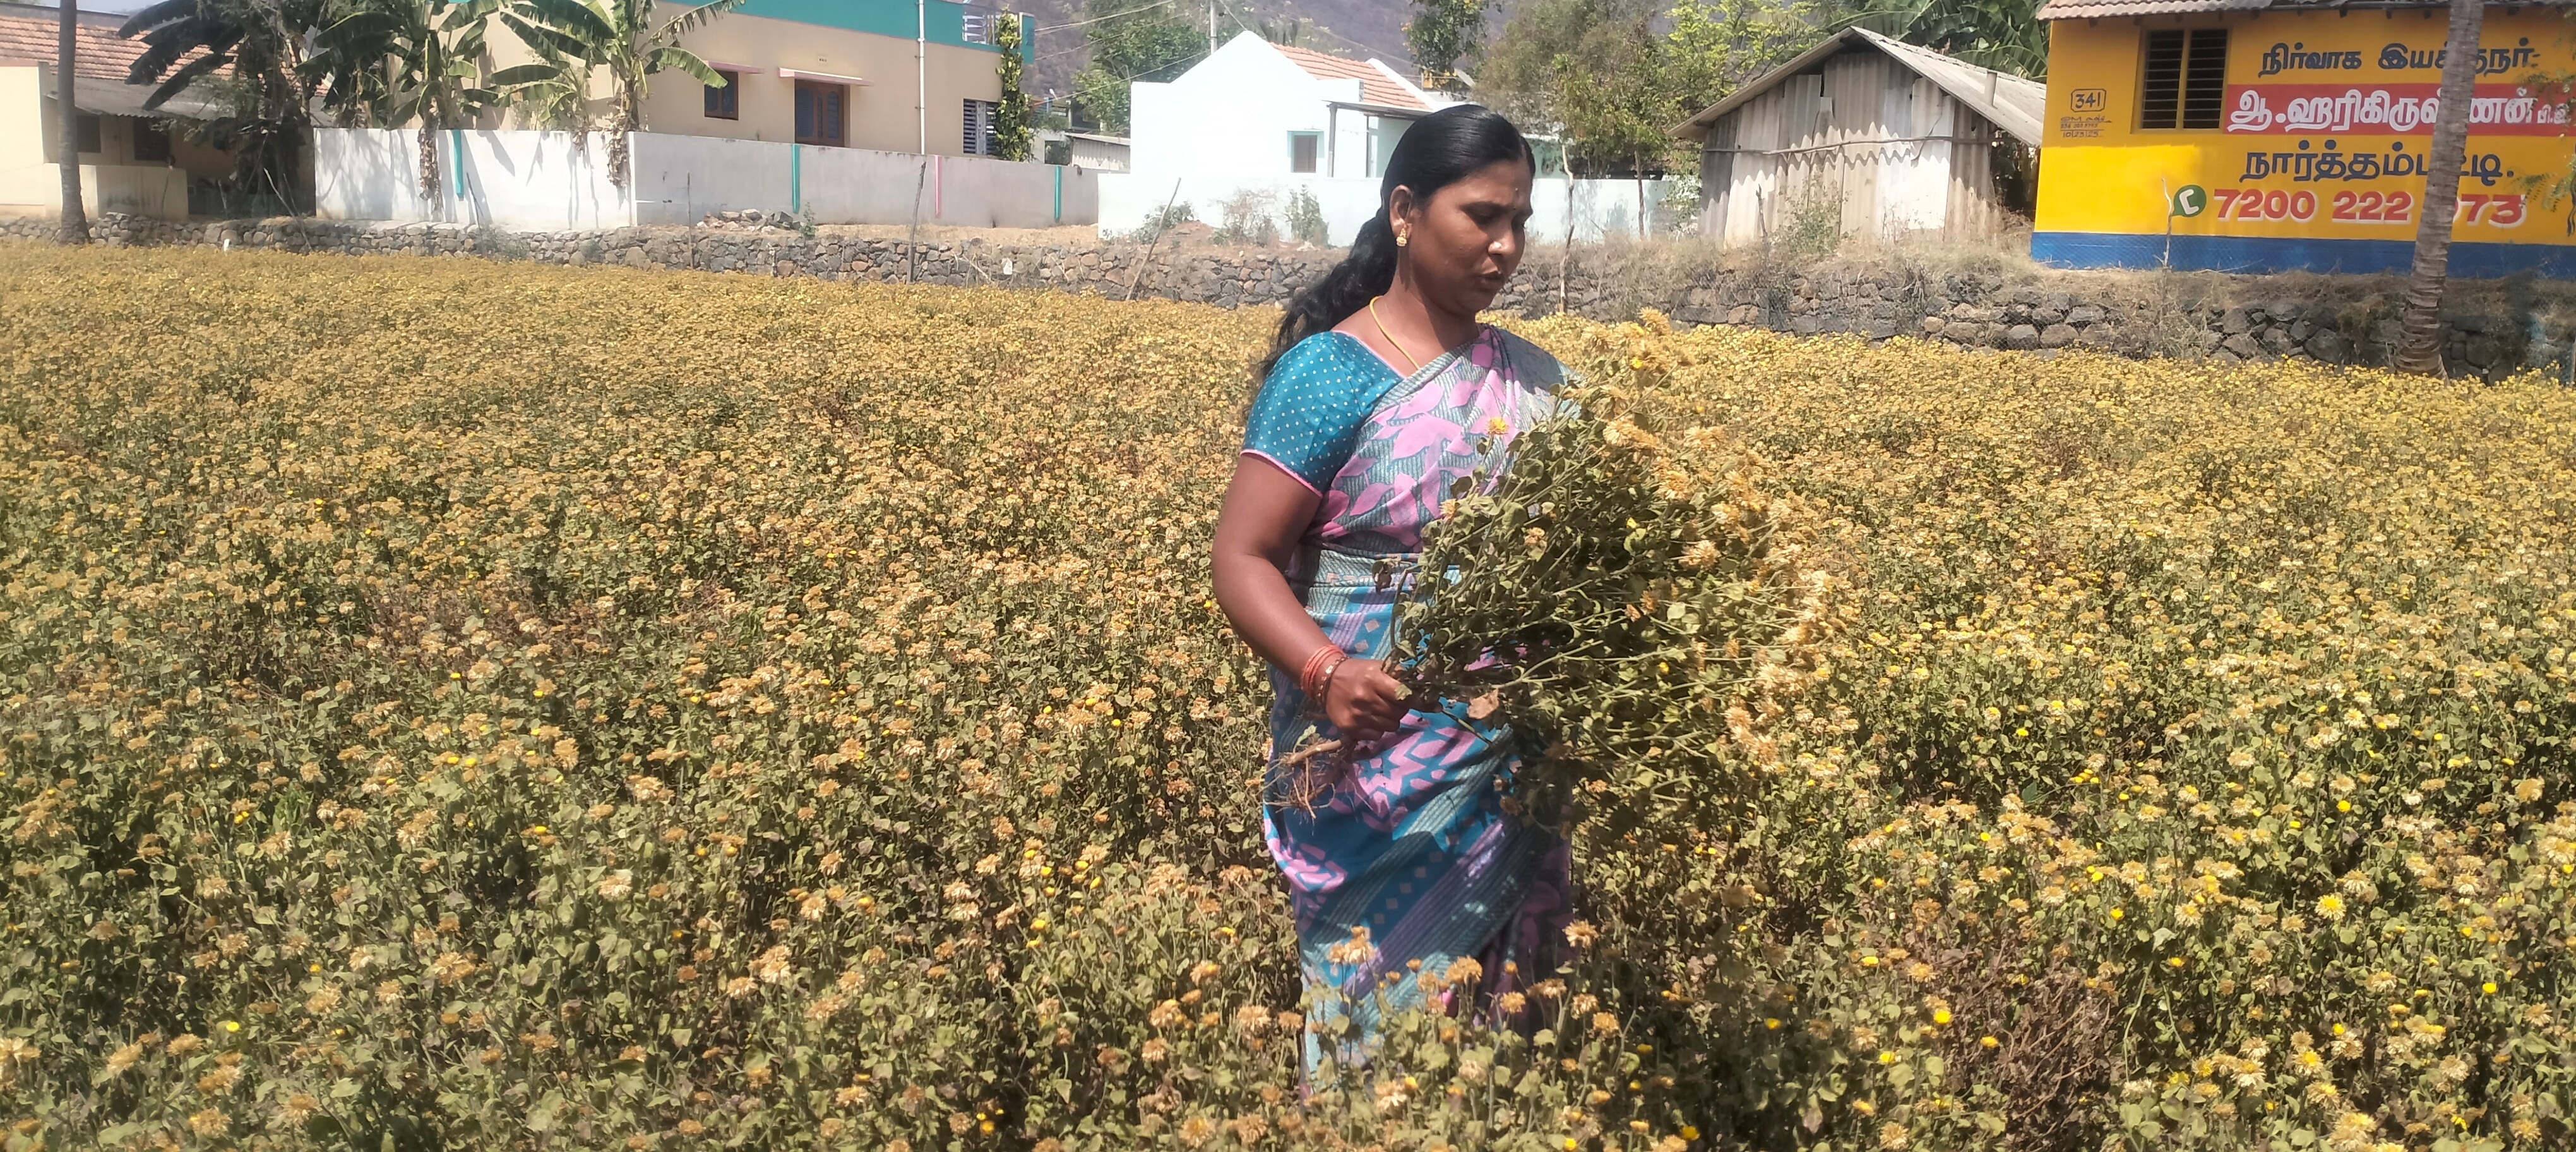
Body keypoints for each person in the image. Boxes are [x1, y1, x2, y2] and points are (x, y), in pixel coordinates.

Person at [1209, 104, 1571, 1077]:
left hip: (1505, 763)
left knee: (1507, 1039)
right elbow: (1241, 558)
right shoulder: (1330, 375)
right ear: (1405, 211)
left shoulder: (1536, 383)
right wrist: (1326, 670)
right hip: (1369, 767)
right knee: (1375, 1035)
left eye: (1520, 221)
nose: (1506, 246)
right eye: (1481, 215)